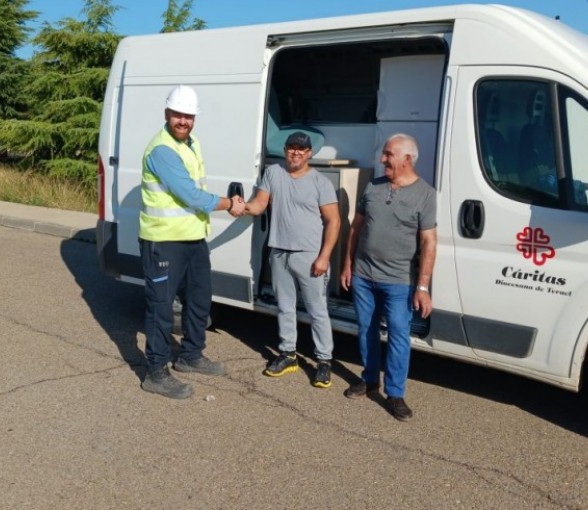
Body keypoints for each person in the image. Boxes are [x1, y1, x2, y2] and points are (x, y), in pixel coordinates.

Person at [139, 85, 245, 399]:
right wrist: (230, 204)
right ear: (166, 114)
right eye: (178, 115)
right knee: (160, 308)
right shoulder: (162, 149)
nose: (183, 121)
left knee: (199, 300)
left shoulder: (191, 143)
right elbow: (190, 194)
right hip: (164, 240)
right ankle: (155, 372)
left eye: (188, 115)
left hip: (193, 237)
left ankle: (190, 355)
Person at [339, 133, 437, 420]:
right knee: (366, 329)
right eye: (384, 154)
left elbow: (429, 242)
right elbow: (355, 228)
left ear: (407, 159)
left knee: (397, 335)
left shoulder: (426, 194)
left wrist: (422, 286)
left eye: (388, 155)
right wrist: (347, 265)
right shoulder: (373, 186)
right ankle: (370, 379)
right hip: (364, 276)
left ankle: (395, 394)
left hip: (398, 281)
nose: (383, 160)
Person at [243, 132, 341, 388]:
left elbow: (334, 221)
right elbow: (259, 204)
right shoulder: (273, 173)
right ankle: (288, 355)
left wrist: (324, 257)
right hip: (279, 252)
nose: (296, 152)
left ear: (309, 153)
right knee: (285, 307)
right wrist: (241, 206)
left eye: (301, 149)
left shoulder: (320, 182)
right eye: (291, 148)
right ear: (285, 150)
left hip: (309, 256)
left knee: (317, 310)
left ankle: (324, 361)